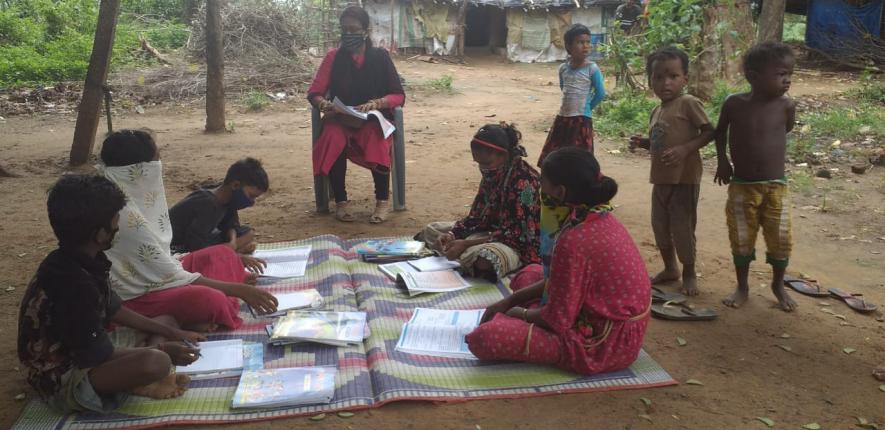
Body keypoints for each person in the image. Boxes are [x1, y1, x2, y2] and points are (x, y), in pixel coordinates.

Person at [18, 175, 206, 414]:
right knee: (157, 362)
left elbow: (113, 308)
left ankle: (142, 375)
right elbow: (97, 355)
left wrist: (173, 333)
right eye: (116, 219)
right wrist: (162, 350)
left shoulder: (82, 259)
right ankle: (143, 381)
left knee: (165, 322)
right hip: (61, 377)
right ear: (100, 233)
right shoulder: (74, 285)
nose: (119, 225)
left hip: (84, 347)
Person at [465, 148, 650, 375]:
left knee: (484, 338)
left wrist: (518, 313)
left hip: (604, 343)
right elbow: (559, 280)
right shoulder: (597, 215)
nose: (539, 186)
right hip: (613, 323)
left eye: (543, 181)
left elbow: (558, 320)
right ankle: (531, 312)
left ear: (560, 192)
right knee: (530, 273)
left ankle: (531, 321)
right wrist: (512, 300)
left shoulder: (573, 239)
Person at [99, 129, 278, 332]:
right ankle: (197, 311)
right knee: (212, 300)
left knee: (224, 253)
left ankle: (210, 300)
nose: (160, 166)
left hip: (163, 273)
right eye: (157, 160)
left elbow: (165, 263)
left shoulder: (133, 199)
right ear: (142, 168)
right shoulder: (123, 214)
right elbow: (167, 273)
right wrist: (236, 289)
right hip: (139, 295)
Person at [713, 42, 797, 312]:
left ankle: (778, 285)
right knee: (741, 237)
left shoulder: (786, 106)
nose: (787, 80)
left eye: (789, 74)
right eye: (780, 74)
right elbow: (720, 132)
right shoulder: (734, 104)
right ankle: (742, 286)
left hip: (776, 186)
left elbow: (784, 131)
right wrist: (723, 160)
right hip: (742, 186)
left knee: (780, 238)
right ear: (753, 76)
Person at [307, 5, 405, 223]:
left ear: (365, 31)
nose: (349, 34)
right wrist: (323, 104)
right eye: (345, 30)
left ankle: (382, 202)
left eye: (354, 29)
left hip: (371, 119)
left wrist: (379, 103)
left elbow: (398, 95)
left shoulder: (381, 57)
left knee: (377, 138)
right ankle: (341, 201)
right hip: (340, 118)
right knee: (332, 136)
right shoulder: (333, 57)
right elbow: (314, 92)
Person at [629, 47, 714, 296]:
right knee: (660, 226)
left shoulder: (688, 103)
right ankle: (670, 268)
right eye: (658, 77)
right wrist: (643, 143)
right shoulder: (657, 110)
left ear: (685, 78)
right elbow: (661, 141)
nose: (665, 82)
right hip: (661, 180)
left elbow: (710, 131)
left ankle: (688, 272)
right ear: (650, 81)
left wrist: (685, 149)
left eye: (673, 76)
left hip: (684, 180)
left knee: (682, 227)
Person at [417, 123, 540, 282]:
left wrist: (467, 243)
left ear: (503, 156)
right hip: (488, 232)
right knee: (432, 230)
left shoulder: (526, 183)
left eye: (486, 164)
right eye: (479, 163)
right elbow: (476, 217)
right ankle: (461, 253)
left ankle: (466, 254)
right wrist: (452, 234)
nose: (483, 168)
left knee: (487, 259)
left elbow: (520, 233)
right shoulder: (494, 172)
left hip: (517, 243)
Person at [169, 157, 268, 273]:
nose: (252, 202)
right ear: (236, 185)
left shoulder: (227, 200)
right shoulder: (208, 204)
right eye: (251, 196)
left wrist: (232, 243)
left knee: (248, 234)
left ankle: (226, 254)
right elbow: (195, 246)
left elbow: (231, 226)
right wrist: (235, 256)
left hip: (202, 238)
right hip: (177, 247)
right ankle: (226, 256)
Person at [537, 24, 605, 167]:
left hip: (581, 120)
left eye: (588, 42)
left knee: (579, 158)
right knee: (557, 154)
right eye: (580, 42)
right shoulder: (563, 69)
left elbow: (600, 93)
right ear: (569, 46)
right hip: (563, 118)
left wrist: (586, 109)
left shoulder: (592, 68)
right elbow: (564, 88)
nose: (585, 46)